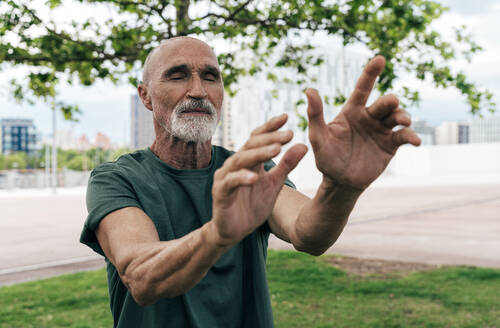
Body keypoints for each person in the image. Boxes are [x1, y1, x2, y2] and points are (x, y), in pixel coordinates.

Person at [80, 36, 421, 328]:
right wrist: (218, 234)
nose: (197, 90)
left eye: (210, 77)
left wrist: (341, 187)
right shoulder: (116, 178)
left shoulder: (251, 169)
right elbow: (141, 276)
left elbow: (309, 233)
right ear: (146, 95)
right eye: (178, 76)